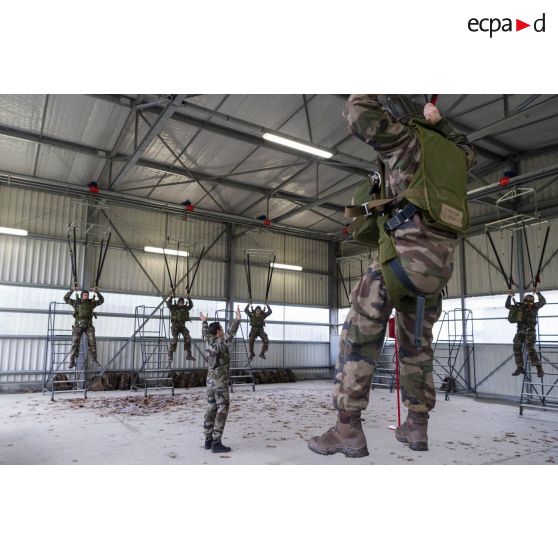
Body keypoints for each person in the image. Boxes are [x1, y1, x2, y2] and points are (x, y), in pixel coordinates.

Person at [308, 94, 476, 457]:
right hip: (435, 274)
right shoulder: (456, 157)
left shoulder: (406, 141)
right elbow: (467, 145)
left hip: (397, 264)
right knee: (417, 349)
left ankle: (347, 429)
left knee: (357, 339)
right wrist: (441, 122)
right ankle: (417, 428)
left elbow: (358, 114)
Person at [200, 306, 241, 453]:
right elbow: (230, 334)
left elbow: (205, 331)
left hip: (210, 382)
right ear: (218, 331)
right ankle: (216, 443)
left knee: (211, 408)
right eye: (221, 329)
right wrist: (237, 320)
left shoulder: (207, 340)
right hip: (220, 382)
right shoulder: (221, 343)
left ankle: (208, 440)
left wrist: (204, 322)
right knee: (222, 409)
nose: (223, 331)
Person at [506, 288, 546, 378]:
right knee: (516, 346)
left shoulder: (535, 307)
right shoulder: (519, 307)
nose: (528, 303)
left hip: (530, 331)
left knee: (529, 346)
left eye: (530, 301)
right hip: (520, 331)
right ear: (524, 301)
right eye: (527, 301)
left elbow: (543, 302)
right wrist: (509, 296)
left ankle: (539, 367)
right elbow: (507, 305)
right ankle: (520, 367)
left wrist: (538, 293)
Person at [64, 286, 104, 368]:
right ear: (82, 295)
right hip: (78, 325)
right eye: (84, 295)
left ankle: (94, 359)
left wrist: (97, 292)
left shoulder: (91, 303)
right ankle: (72, 360)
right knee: (75, 343)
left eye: (87, 295)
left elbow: (101, 301)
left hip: (88, 325)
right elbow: (65, 298)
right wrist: (72, 290)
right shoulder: (76, 302)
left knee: (92, 342)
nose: (86, 296)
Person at [166, 295, 195, 362]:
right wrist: (171, 298)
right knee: (175, 338)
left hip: (182, 327)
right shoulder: (174, 307)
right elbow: (168, 304)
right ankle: (170, 354)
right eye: (180, 302)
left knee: (187, 337)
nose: (181, 303)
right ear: (178, 302)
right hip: (175, 326)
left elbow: (191, 306)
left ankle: (188, 354)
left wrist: (189, 298)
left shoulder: (185, 308)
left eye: (182, 302)